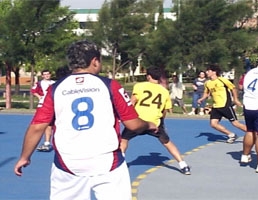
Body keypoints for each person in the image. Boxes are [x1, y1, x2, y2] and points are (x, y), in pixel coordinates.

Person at [13, 40, 157, 200]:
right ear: (95, 61)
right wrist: (149, 124)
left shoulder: (55, 89)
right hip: (107, 161)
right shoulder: (110, 85)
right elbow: (133, 124)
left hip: (68, 163)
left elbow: (37, 128)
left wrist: (25, 157)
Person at [120, 66, 191, 175]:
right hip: (154, 122)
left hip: (138, 121)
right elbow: (164, 111)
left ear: (148, 76)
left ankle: (121, 165)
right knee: (167, 142)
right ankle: (183, 165)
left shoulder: (139, 86)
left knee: (123, 140)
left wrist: (125, 117)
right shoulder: (164, 91)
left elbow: (132, 102)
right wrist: (161, 123)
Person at [197, 64, 246, 143]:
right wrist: (202, 98)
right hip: (216, 106)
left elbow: (233, 88)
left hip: (225, 105)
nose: (207, 72)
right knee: (213, 124)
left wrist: (236, 99)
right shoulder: (207, 83)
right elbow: (206, 93)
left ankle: (253, 134)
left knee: (235, 123)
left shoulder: (222, 80)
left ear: (214, 72)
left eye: (208, 71)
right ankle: (231, 135)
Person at [31, 69, 56, 152]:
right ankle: (47, 143)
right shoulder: (39, 83)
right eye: (45, 74)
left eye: (48, 74)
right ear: (42, 76)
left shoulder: (54, 83)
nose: (47, 76)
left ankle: (54, 142)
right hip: (43, 105)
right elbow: (33, 91)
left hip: (54, 105)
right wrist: (39, 97)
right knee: (45, 124)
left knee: (54, 124)